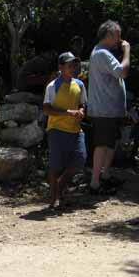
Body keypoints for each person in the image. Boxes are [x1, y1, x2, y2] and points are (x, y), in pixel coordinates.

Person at [87, 20, 131, 195]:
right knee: (102, 144)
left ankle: (104, 176)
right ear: (110, 34)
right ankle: (95, 183)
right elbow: (122, 72)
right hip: (104, 109)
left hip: (110, 109)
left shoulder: (103, 53)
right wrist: (127, 51)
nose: (120, 39)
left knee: (110, 143)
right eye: (118, 34)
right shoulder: (102, 53)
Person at [43, 52, 87, 209]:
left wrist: (81, 111)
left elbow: (82, 103)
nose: (73, 68)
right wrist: (68, 113)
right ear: (61, 67)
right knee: (55, 165)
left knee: (79, 161)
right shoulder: (52, 86)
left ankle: (59, 187)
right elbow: (46, 109)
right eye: (69, 65)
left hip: (75, 130)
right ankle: (54, 198)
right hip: (56, 129)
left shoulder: (79, 85)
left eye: (74, 65)